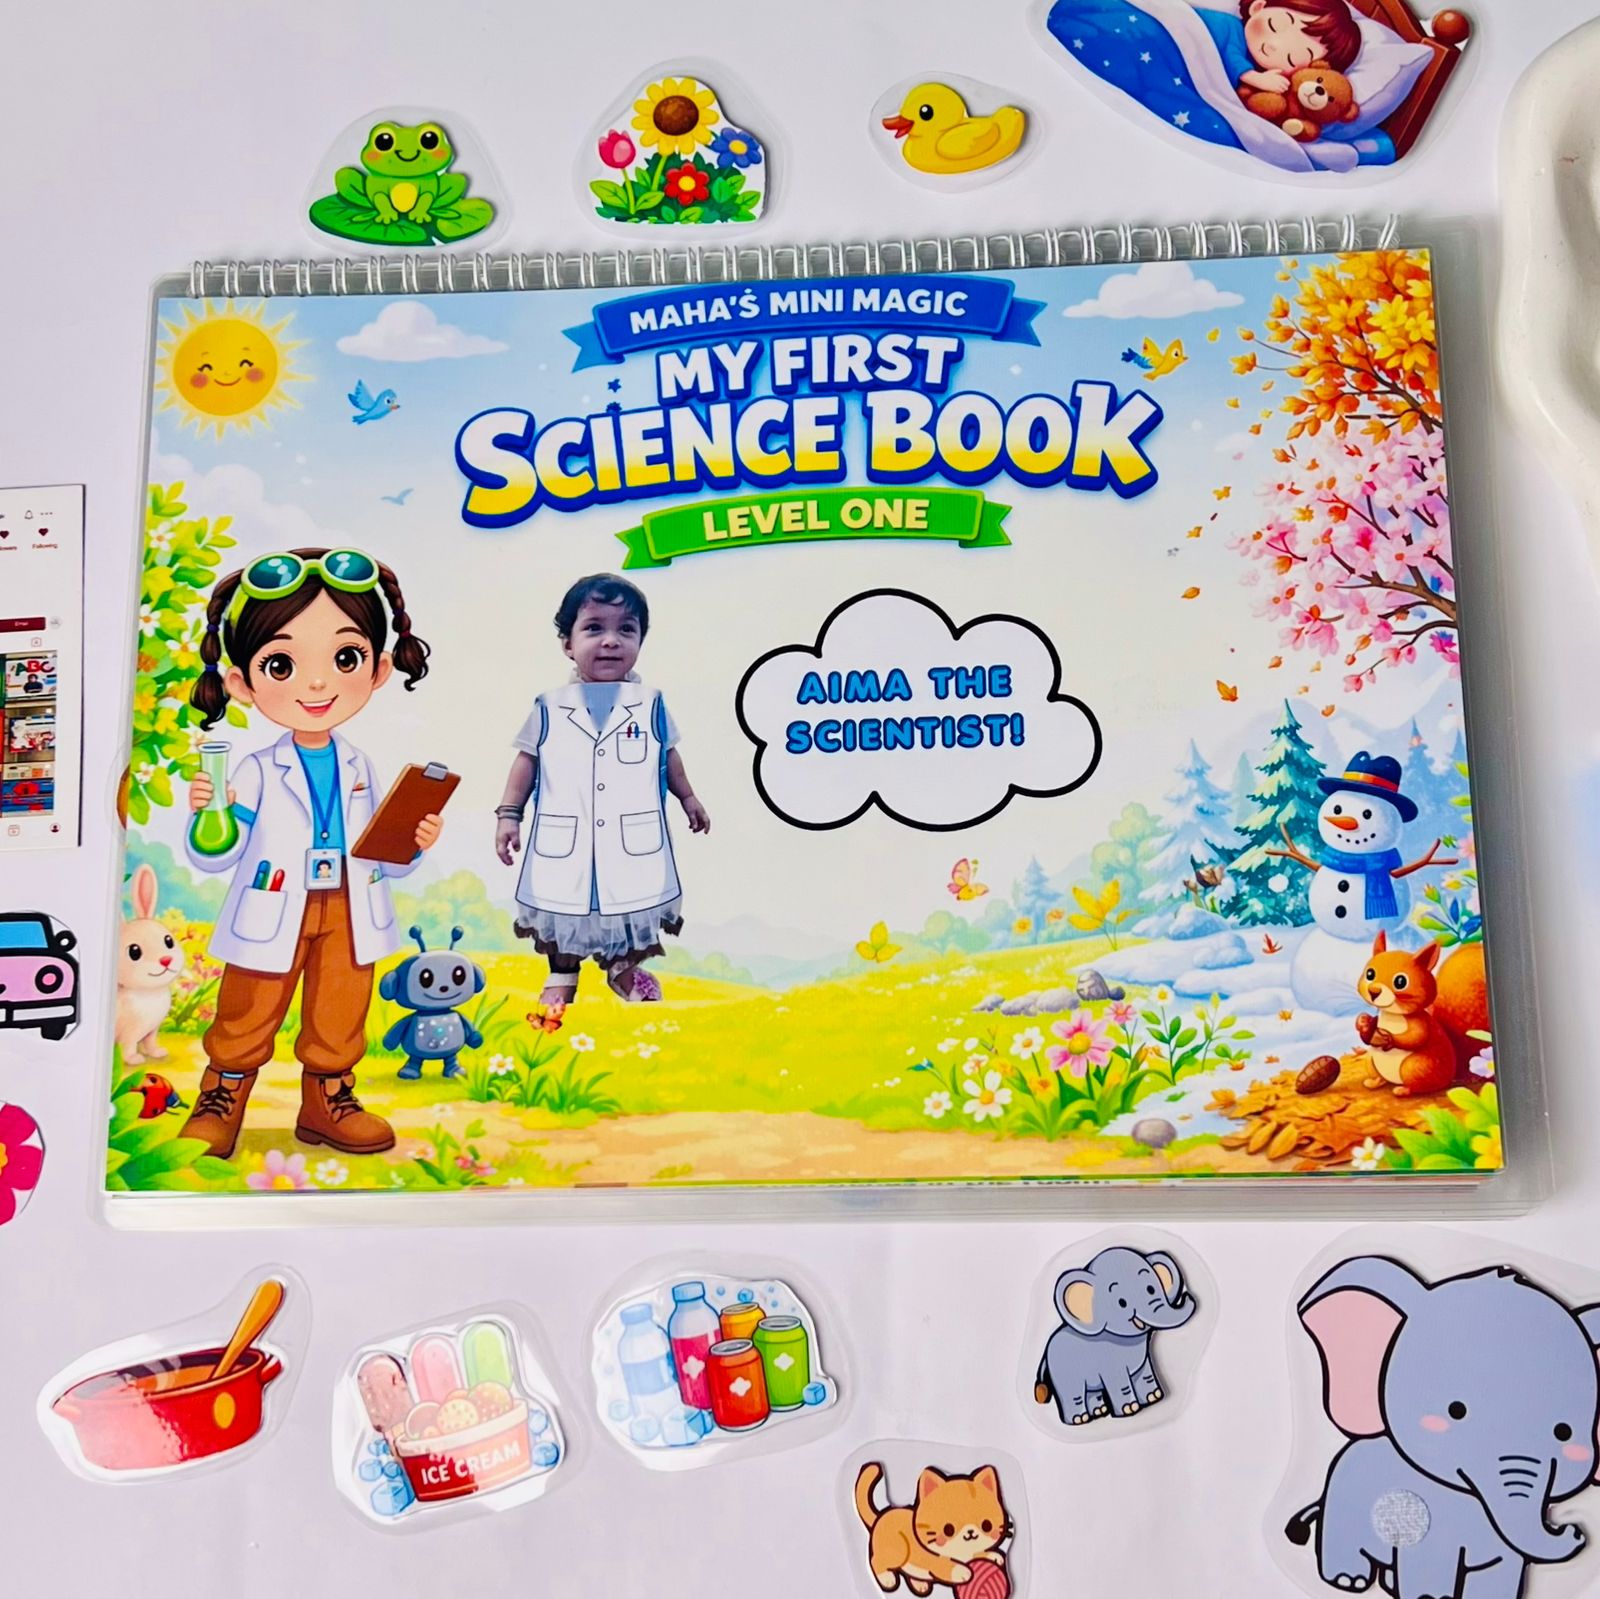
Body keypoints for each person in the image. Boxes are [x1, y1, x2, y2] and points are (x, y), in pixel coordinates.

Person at [180, 548, 444, 1159]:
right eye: (281, 665)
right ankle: (221, 1099)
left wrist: (413, 840)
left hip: (349, 905)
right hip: (276, 901)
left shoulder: (359, 764)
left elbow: (379, 848)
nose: (318, 683)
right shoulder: (254, 769)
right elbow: (217, 855)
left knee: (340, 1007)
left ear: (377, 670)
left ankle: (328, 1101)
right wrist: (209, 814)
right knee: (249, 1007)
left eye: (344, 658)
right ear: (241, 683)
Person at [494, 573, 709, 1014]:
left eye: (626, 629)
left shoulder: (650, 703)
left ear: (640, 640)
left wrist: (688, 798)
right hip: (566, 835)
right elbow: (526, 760)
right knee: (563, 910)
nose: (611, 641)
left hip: (631, 837)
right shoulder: (549, 706)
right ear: (568, 644)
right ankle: (562, 975)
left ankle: (623, 967)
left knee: (629, 905)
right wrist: (508, 814)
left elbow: (668, 755)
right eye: (594, 628)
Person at [1203, 0, 1362, 91]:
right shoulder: (1228, 26)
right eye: (1273, 25)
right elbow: (1230, 57)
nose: (1273, 45)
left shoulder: (1258, 66)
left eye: (1290, 57)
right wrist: (1255, 78)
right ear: (1258, 7)